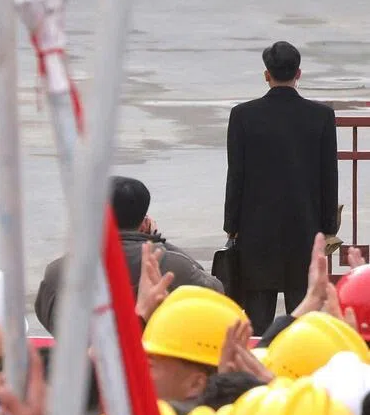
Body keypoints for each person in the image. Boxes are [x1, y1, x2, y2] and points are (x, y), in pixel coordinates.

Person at [225, 41, 338, 333]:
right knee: (303, 318)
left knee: (257, 320)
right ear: (298, 73)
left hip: (256, 231)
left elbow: (236, 174)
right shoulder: (321, 116)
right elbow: (329, 175)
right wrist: (327, 228)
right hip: (304, 229)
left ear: (266, 75)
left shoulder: (243, 116)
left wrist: (231, 225)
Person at [36, 177, 221, 334]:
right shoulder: (173, 266)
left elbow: (50, 321)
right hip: (157, 369)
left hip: (84, 372)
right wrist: (157, 241)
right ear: (144, 222)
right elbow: (216, 294)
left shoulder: (59, 271)